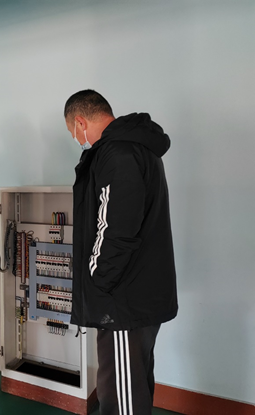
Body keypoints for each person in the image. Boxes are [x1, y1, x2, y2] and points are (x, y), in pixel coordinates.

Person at [64, 90, 178, 415]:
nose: (77, 139)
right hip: (136, 293)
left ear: (81, 122)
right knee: (132, 384)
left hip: (122, 300)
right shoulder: (137, 148)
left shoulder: (117, 153)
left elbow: (115, 229)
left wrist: (97, 281)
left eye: (73, 132)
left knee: (121, 394)